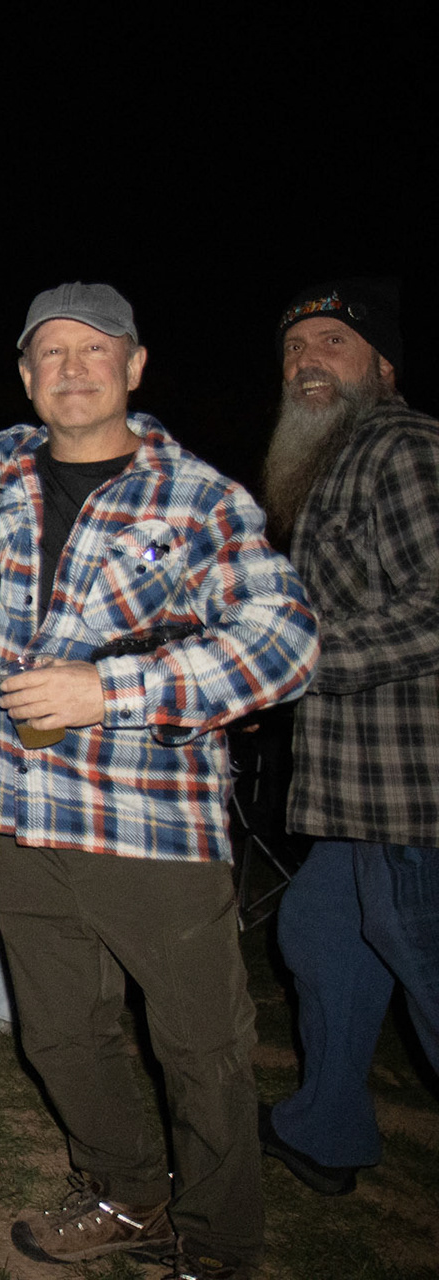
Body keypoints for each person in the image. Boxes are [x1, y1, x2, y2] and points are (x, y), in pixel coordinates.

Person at [0, 283, 317, 1280]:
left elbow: (285, 639)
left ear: (134, 366)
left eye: (97, 349)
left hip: (153, 819)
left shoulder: (199, 498)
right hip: (20, 814)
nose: (73, 367)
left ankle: (218, 1244)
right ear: (25, 375)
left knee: (201, 1049)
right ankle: (129, 1196)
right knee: (58, 1036)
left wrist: (110, 689)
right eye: (52, 351)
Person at [258, 279, 439, 1198]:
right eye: (295, 348)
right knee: (321, 930)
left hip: (415, 785)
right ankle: (325, 1130)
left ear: (384, 365)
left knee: (420, 952)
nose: (307, 361)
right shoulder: (334, 464)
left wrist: (297, 659)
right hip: (358, 789)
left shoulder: (401, 447)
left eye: (332, 341)